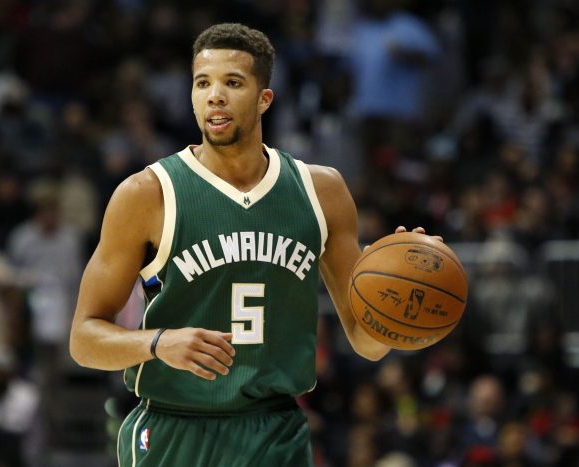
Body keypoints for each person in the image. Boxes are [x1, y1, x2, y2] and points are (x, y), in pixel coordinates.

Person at [70, 23, 438, 466]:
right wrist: (158, 342)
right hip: (174, 429)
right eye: (202, 83)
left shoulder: (321, 191)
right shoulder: (147, 193)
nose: (215, 96)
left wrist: (396, 291)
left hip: (275, 431)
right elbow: (84, 339)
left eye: (233, 83)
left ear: (264, 99)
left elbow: (366, 341)